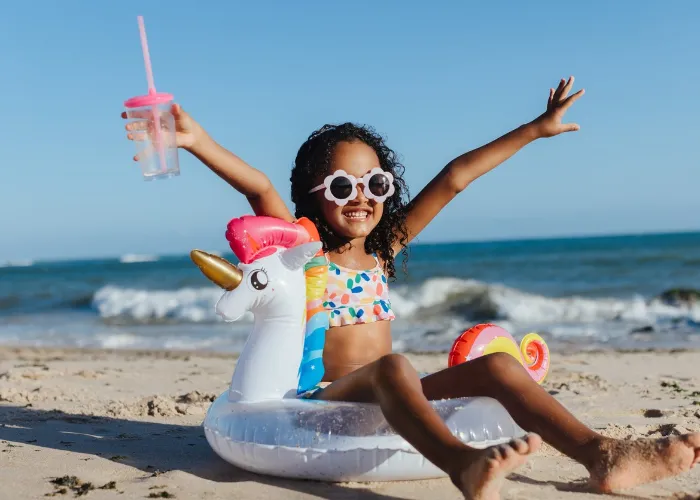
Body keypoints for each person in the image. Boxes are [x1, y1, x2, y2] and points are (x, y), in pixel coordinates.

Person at [123, 76, 699, 499]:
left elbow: (454, 177)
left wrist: (536, 129)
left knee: (499, 368)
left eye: (375, 182)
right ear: (311, 195)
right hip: (320, 400)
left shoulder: (383, 251)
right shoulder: (303, 250)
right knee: (396, 367)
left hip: (390, 394)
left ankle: (603, 455)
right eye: (342, 185)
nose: (362, 196)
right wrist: (196, 141)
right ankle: (461, 464)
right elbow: (258, 188)